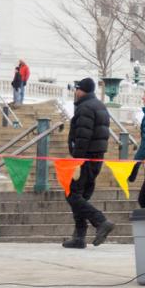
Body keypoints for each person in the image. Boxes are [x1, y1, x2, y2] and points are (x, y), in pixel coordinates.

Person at [63, 78, 115, 248]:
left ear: (81, 90)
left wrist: (77, 160)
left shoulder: (85, 107)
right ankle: (79, 236)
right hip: (96, 157)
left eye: (76, 89)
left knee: (72, 194)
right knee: (81, 196)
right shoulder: (99, 105)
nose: (75, 92)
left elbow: (83, 136)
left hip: (85, 158)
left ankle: (100, 221)